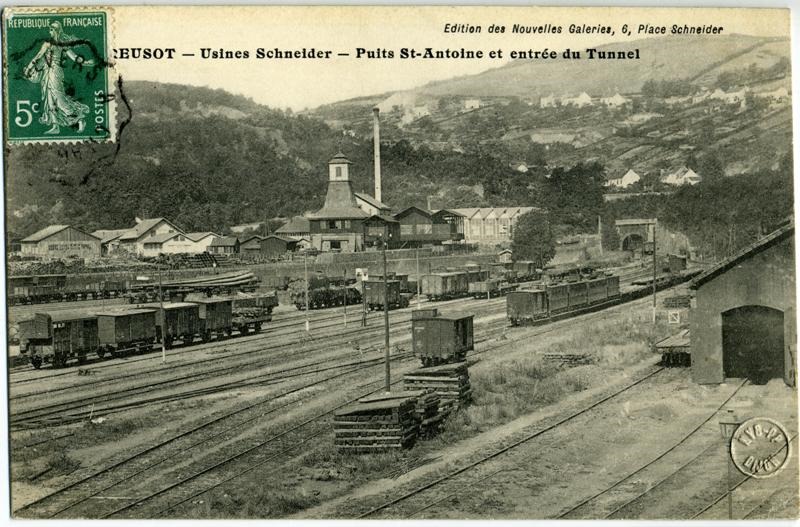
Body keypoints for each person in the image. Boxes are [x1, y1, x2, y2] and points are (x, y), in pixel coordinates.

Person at [22, 21, 94, 134]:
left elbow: (74, 57)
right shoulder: (47, 44)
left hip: (56, 72)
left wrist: (86, 63)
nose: (50, 32)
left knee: (60, 99)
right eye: (49, 30)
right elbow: (38, 57)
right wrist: (30, 68)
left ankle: (80, 119)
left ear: (57, 31)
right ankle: (55, 126)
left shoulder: (62, 44)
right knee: (49, 99)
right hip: (47, 72)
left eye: (52, 30)